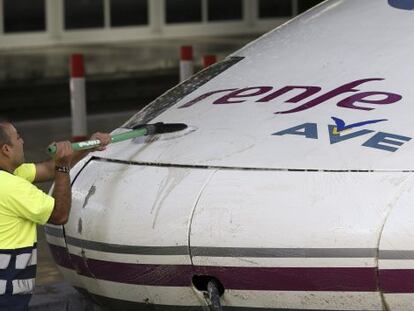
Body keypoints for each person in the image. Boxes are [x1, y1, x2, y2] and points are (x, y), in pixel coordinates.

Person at [0, 118, 111, 311]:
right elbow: (59, 215)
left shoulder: (12, 175)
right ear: (6, 149)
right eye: (18, 138)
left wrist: (88, 145)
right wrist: (63, 167)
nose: (23, 141)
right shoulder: (11, 187)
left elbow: (47, 169)